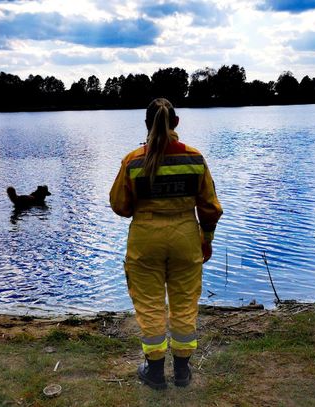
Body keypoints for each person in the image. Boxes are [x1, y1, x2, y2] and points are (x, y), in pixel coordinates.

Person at [109, 98, 223, 389]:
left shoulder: (133, 160)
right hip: (186, 236)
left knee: (149, 305)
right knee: (185, 303)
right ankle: (183, 372)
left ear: (147, 124)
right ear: (177, 123)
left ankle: (155, 372)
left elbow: (120, 205)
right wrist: (206, 240)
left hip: (145, 239)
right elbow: (210, 207)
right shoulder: (194, 158)